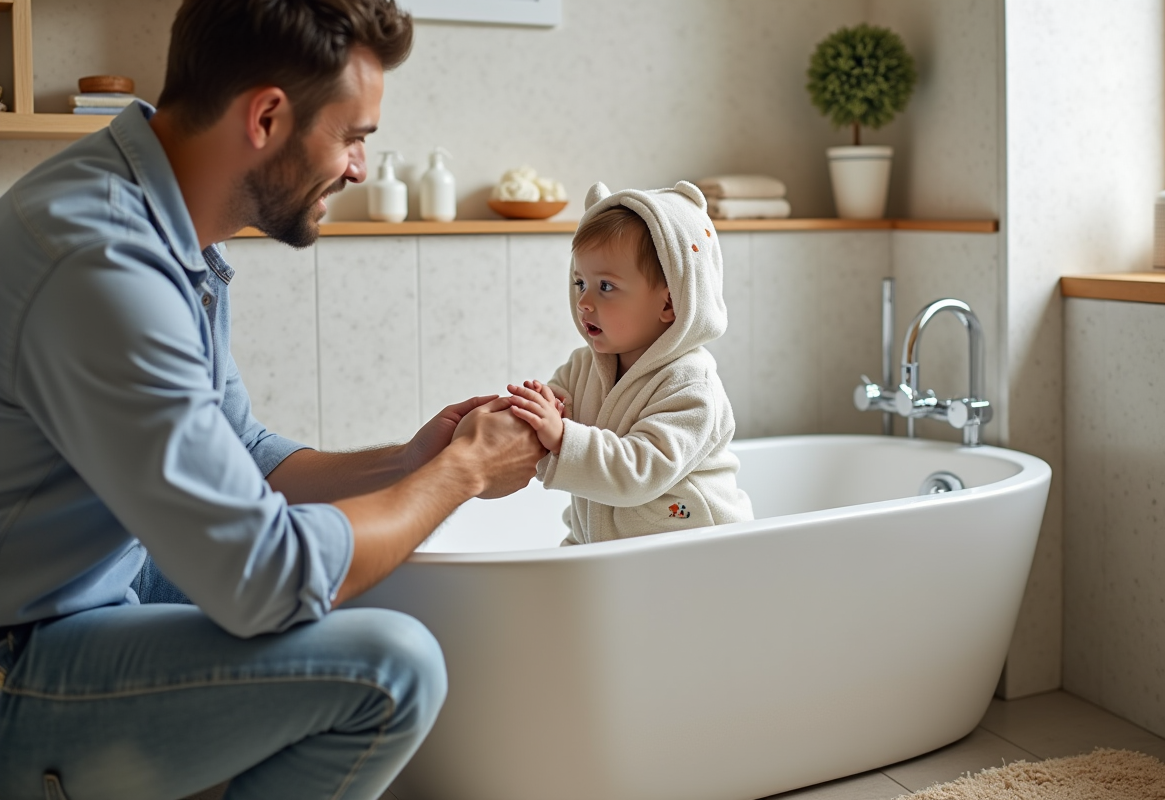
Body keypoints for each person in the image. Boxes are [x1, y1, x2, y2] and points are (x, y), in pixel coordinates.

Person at [0, 1, 546, 798]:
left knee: (367, 563)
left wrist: (410, 458)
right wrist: (457, 475)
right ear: (266, 116)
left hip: (81, 593)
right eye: (354, 136)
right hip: (21, 658)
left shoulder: (161, 223)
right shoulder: (103, 265)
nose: (359, 168)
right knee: (392, 668)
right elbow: (264, 579)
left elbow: (248, 453)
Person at [506, 181, 754, 545]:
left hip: (693, 551)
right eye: (579, 283)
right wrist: (530, 410)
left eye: (605, 286)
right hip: (602, 540)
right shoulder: (582, 367)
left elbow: (639, 470)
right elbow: (554, 411)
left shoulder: (691, 387)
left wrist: (561, 436)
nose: (584, 302)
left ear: (668, 304)